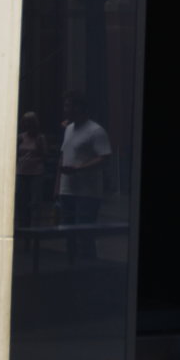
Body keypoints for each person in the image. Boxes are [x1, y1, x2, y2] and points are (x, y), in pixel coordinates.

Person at [58, 91, 112, 258]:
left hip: (87, 192)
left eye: (68, 105)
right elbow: (63, 155)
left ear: (79, 107)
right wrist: (57, 187)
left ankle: (88, 266)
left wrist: (79, 168)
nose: (65, 109)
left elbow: (104, 157)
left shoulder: (95, 131)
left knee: (84, 234)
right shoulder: (68, 129)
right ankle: (71, 265)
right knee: (68, 233)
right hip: (67, 190)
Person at [15, 111, 44, 231]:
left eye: (30, 122)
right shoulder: (20, 137)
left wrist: (34, 158)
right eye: (25, 122)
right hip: (21, 172)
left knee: (35, 202)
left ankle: (35, 230)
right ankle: (23, 228)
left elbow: (44, 155)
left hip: (35, 173)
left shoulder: (40, 138)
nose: (27, 124)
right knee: (22, 201)